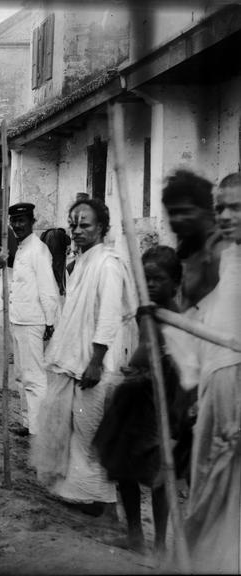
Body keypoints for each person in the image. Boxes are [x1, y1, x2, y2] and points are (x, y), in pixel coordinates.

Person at [32, 198, 136, 516]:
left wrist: (95, 361)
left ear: (102, 227)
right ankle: (82, 494)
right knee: (77, 427)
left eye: (85, 225)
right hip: (78, 359)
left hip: (98, 362)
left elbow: (108, 316)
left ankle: (101, 503)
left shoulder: (107, 263)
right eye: (73, 224)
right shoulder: (83, 261)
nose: (77, 231)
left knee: (90, 432)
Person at [93, 246, 197, 554]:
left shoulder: (180, 319)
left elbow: (182, 361)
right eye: (145, 278)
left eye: (158, 279)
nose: (150, 285)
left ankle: (161, 544)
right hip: (135, 399)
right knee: (123, 465)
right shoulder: (145, 312)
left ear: (175, 283)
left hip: (163, 400)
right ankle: (135, 535)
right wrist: (134, 369)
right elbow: (144, 347)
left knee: (160, 472)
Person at [183, 172, 241, 572]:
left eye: (236, 206)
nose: (225, 214)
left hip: (236, 386)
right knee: (205, 478)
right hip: (214, 381)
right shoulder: (228, 257)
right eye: (220, 206)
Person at [8, 203, 60, 436]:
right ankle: (27, 422)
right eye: (14, 221)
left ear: (32, 222)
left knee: (35, 377)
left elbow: (48, 288)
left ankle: (37, 431)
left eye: (22, 221)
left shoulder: (38, 250)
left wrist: (50, 321)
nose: (17, 225)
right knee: (21, 375)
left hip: (33, 322)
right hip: (18, 319)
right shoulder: (21, 249)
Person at [161, 170, 230, 310]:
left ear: (205, 211)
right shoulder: (191, 248)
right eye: (172, 213)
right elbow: (192, 311)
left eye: (185, 211)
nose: (177, 219)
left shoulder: (220, 254)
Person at [40, 227, 71, 297]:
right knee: (61, 273)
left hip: (48, 256)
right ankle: (62, 290)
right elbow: (69, 241)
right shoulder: (62, 233)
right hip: (59, 256)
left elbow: (40, 241)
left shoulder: (46, 233)